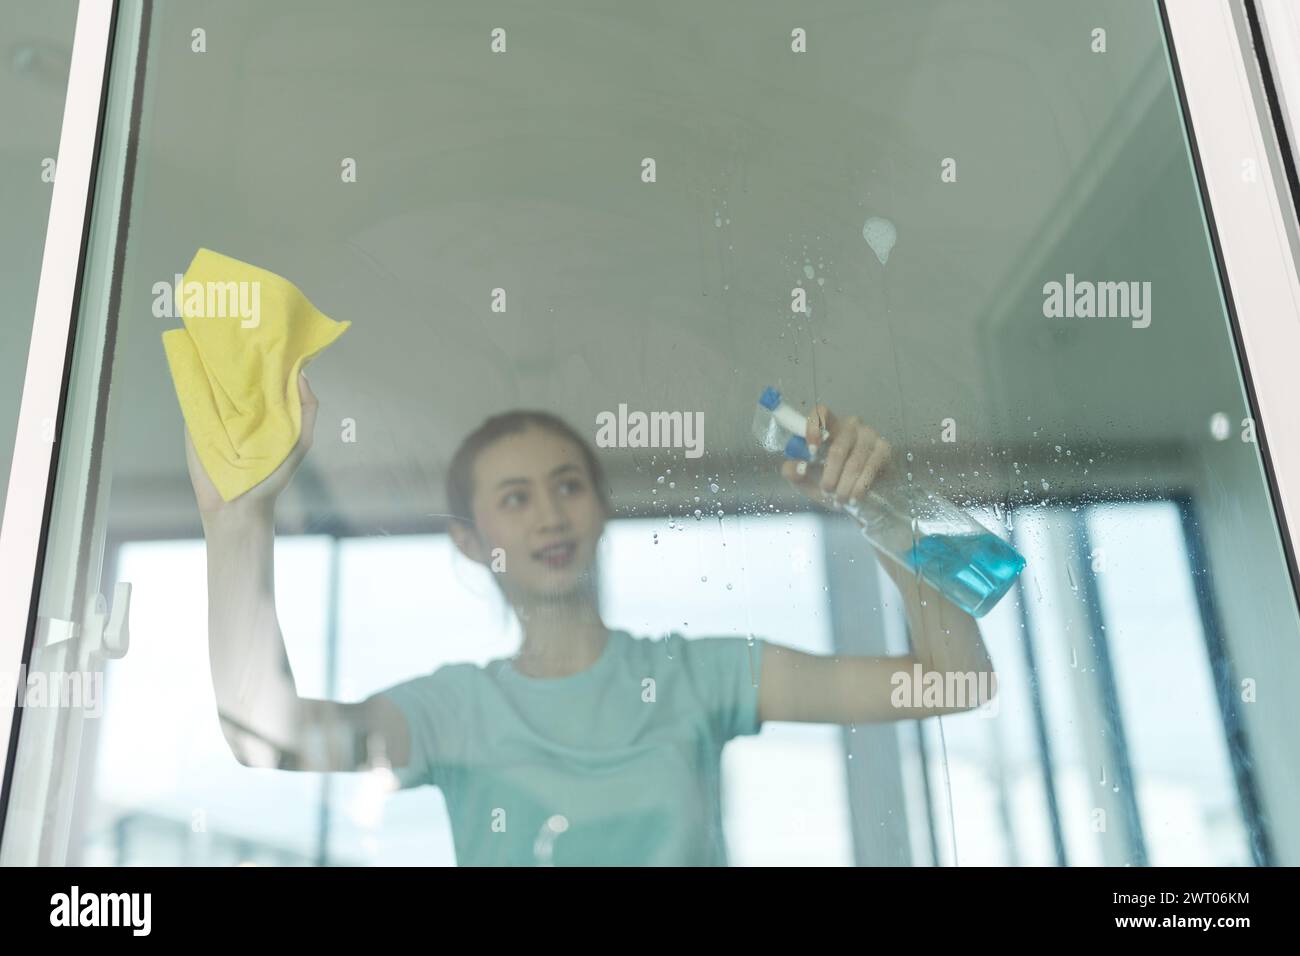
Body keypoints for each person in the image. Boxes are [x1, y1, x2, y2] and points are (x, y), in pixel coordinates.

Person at [189, 373, 996, 865]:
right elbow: (267, 734)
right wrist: (236, 527)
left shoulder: (697, 677)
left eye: (568, 485)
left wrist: (882, 505)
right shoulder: (453, 712)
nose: (550, 515)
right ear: (471, 543)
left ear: (602, 506)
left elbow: (954, 684)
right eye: (515, 498)